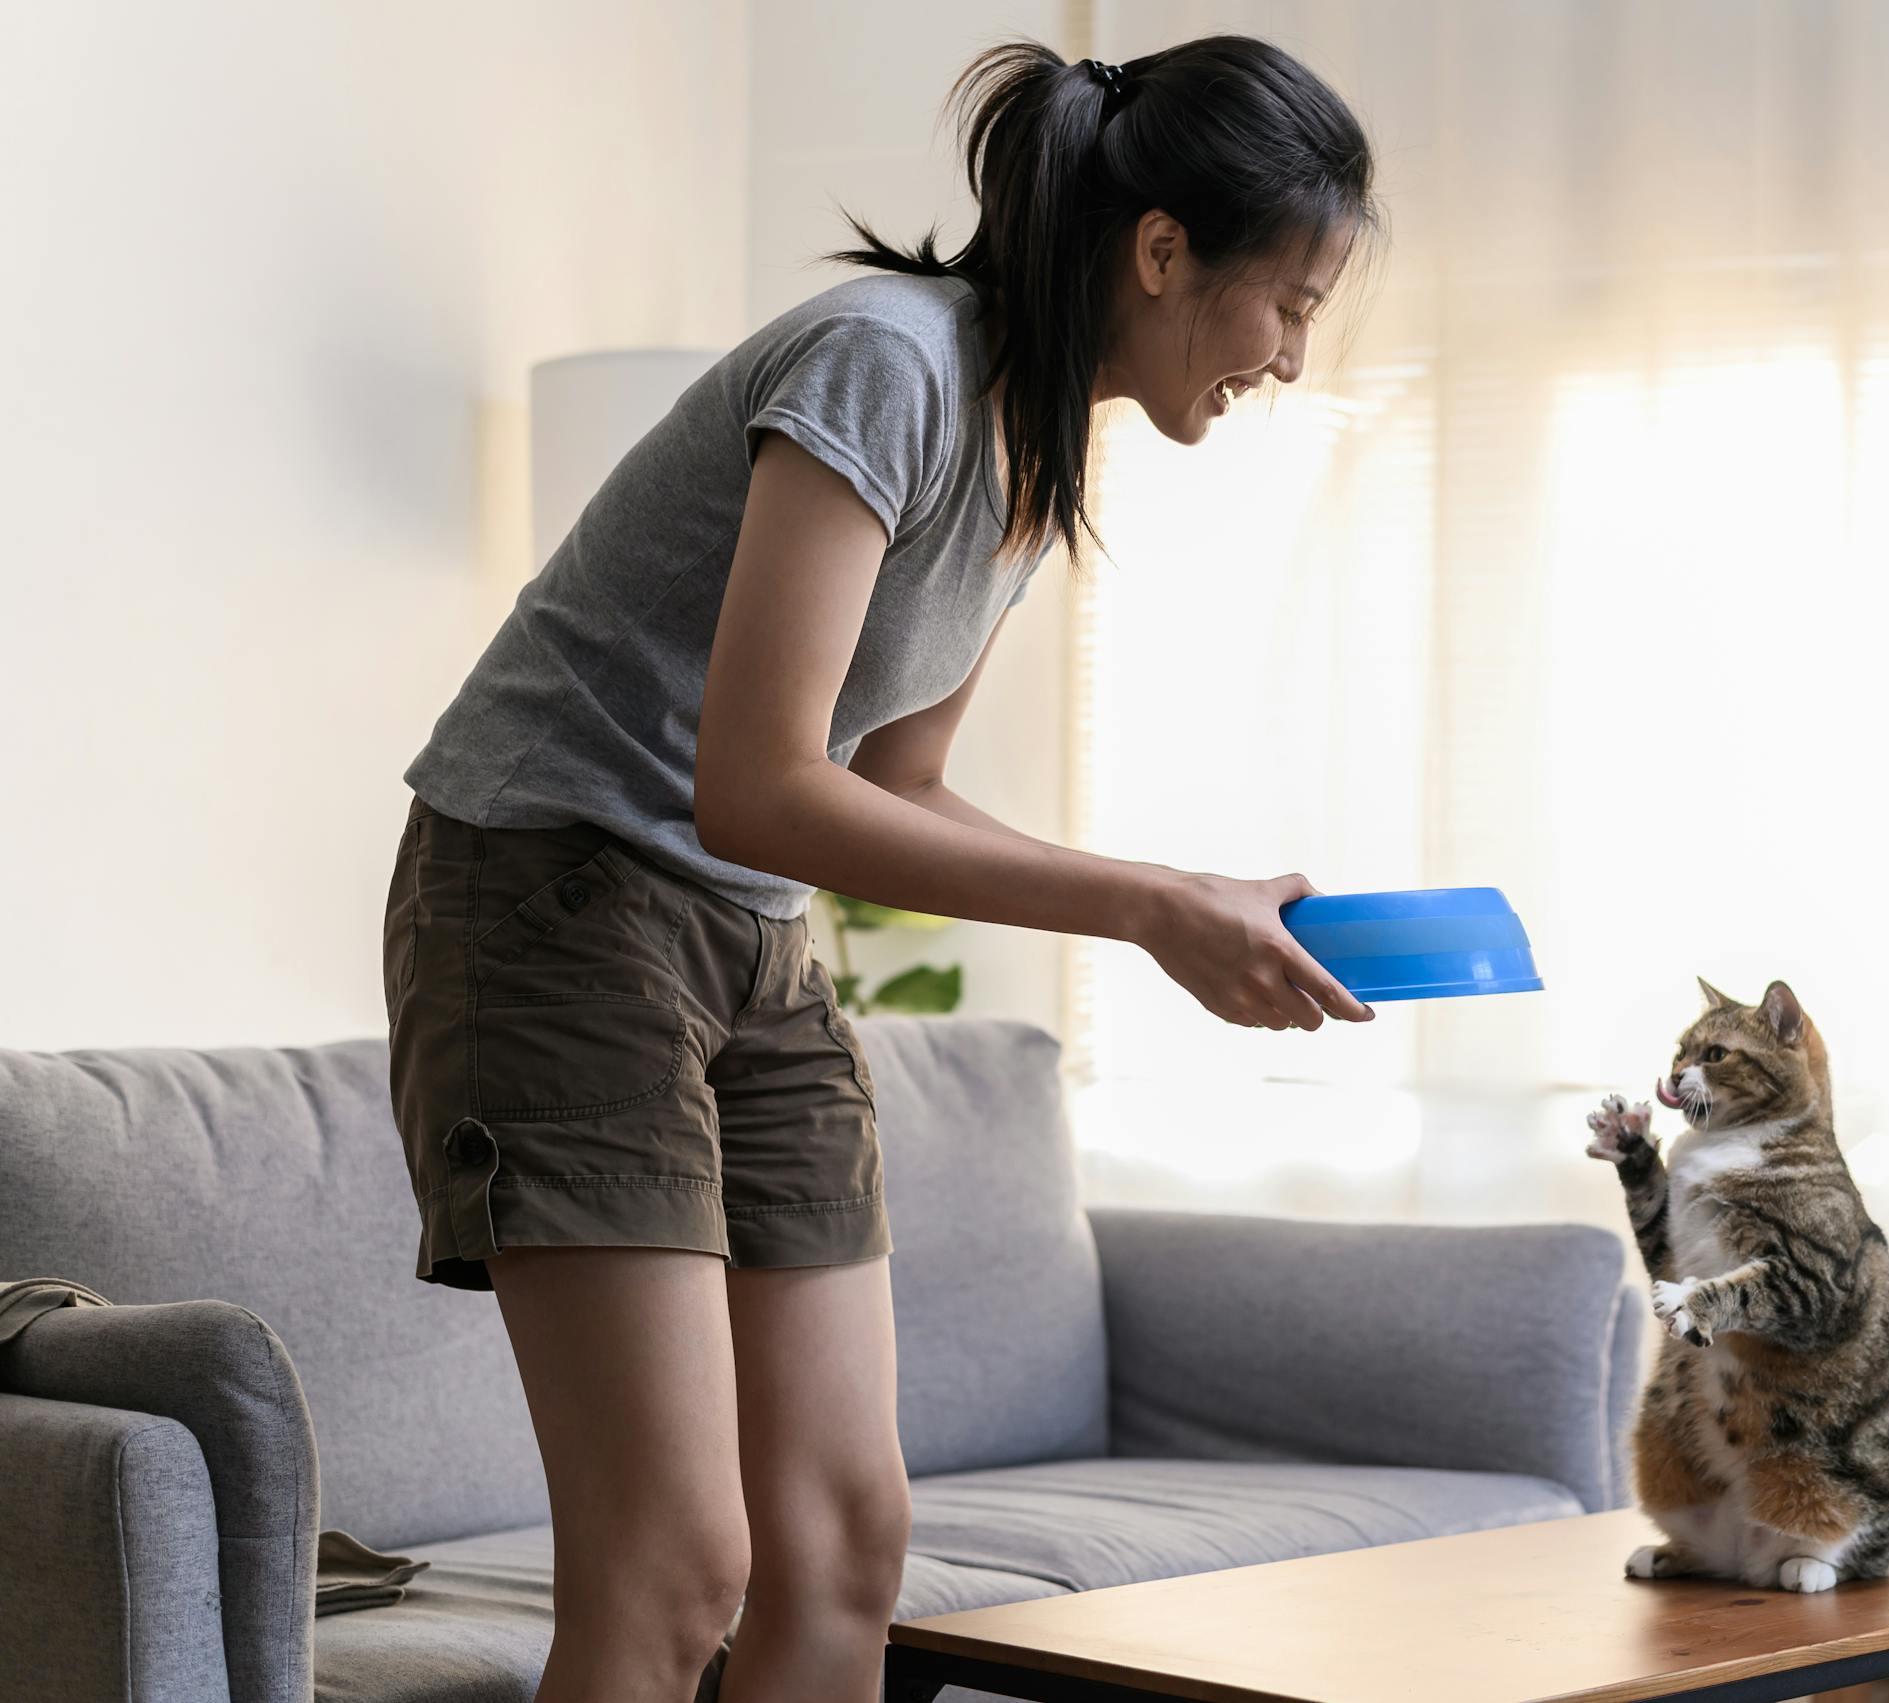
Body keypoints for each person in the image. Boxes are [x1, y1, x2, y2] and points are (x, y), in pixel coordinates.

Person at [377, 34, 1380, 1703]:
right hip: (551, 899)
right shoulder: (888, 362)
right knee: (677, 1560)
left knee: (847, 1545)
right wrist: (1142, 910)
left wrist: (1179, 896)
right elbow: (762, 782)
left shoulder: (1036, 458)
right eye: (1292, 301)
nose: (1286, 354)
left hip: (754, 939)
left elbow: (898, 783)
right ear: (1161, 253)